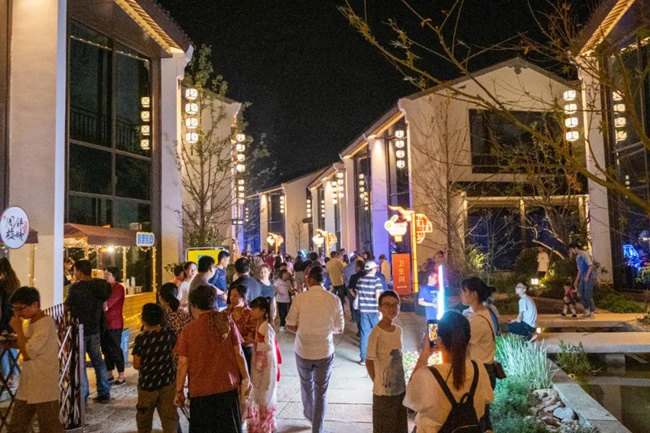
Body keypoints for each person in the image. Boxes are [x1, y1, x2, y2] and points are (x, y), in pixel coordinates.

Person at [174, 285, 251, 433]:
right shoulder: (227, 322)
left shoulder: (188, 330)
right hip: (227, 388)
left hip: (200, 392)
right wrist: (246, 379)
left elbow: (183, 364)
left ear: (194, 306)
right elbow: (239, 353)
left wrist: (179, 391)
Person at [404, 311, 494, 433]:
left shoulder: (426, 375)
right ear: (467, 339)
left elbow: (410, 400)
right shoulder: (479, 369)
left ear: (439, 340)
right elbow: (486, 401)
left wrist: (425, 353)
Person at [286, 266, 344, 433]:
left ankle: (310, 414)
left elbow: (290, 324)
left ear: (310, 280)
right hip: (324, 351)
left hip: (303, 350)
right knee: (321, 391)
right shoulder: (334, 300)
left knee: (306, 384)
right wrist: (324, 331)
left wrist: (303, 331)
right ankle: (317, 428)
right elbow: (340, 328)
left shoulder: (300, 298)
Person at [7, 286, 64, 433]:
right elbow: (26, 344)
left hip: (43, 384)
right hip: (28, 383)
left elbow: (28, 352)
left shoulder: (45, 323)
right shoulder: (32, 323)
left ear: (35, 305)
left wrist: (18, 329)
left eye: (20, 309)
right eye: (15, 309)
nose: (18, 313)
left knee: (49, 426)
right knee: (17, 425)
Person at [64, 259, 112, 403]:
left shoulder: (76, 288)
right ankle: (104, 392)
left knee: (80, 363)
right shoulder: (99, 286)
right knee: (98, 360)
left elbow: (67, 306)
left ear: (79, 272)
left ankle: (83, 395)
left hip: (79, 330)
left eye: (75, 271)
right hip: (95, 329)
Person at [132, 303, 179, 433]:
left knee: (144, 418)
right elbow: (175, 353)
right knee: (169, 417)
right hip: (168, 381)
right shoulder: (169, 334)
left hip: (148, 384)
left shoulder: (141, 339)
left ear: (144, 319)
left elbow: (136, 364)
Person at [366, 291, 407, 433]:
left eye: (395, 305)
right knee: (384, 427)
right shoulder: (376, 333)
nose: (392, 309)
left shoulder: (398, 331)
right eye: (387, 305)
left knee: (400, 426)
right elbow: (369, 361)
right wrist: (379, 382)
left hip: (400, 390)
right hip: (383, 393)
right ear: (380, 308)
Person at [459, 277, 497, 431]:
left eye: (464, 291)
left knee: (478, 416)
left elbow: (462, 345)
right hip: (486, 369)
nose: (461, 295)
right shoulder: (484, 313)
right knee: (483, 415)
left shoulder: (478, 320)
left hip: (482, 372)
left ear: (473, 295)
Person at [246, 297, 279, 433]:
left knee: (264, 392)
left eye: (254, 309)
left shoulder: (266, 327)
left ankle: (265, 425)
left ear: (263, 311)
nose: (251, 311)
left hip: (266, 363)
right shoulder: (260, 324)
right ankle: (259, 424)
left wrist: (253, 342)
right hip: (259, 361)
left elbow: (269, 346)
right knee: (258, 390)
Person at [351, 260, 384, 365]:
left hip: (363, 310)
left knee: (364, 334)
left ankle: (363, 359)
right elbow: (378, 296)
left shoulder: (360, 280)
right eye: (376, 268)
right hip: (374, 310)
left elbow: (357, 294)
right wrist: (380, 309)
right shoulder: (377, 280)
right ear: (373, 269)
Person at [102, 266, 126, 387]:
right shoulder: (106, 287)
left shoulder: (119, 288)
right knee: (106, 349)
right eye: (105, 274)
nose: (105, 277)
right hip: (104, 323)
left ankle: (121, 374)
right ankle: (109, 373)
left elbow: (106, 305)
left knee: (115, 348)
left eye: (108, 275)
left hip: (115, 323)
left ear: (115, 276)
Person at [0, 257, 21, 388]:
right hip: (14, 318)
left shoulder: (2, 284)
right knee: (11, 346)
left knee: (2, 348)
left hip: (4, 319)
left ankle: (6, 376)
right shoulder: (15, 282)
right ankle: (15, 375)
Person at [227, 284, 256, 371]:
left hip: (245, 349)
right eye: (231, 295)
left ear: (243, 298)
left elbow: (252, 333)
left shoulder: (250, 314)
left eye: (235, 296)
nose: (232, 298)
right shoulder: (226, 313)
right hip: (230, 349)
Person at [569, 242, 596, 319]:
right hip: (583, 277)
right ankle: (586, 309)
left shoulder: (585, 255)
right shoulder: (577, 257)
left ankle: (592, 311)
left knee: (588, 295)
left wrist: (587, 275)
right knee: (580, 293)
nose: (572, 251)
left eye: (572, 250)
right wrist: (576, 280)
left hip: (589, 277)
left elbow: (590, 265)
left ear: (576, 248)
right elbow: (580, 270)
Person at [348, 259, 365, 335]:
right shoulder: (366, 275)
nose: (354, 268)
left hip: (357, 300)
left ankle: (360, 332)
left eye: (355, 266)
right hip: (367, 300)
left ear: (359, 267)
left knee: (358, 316)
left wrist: (356, 297)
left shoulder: (354, 277)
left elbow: (350, 289)